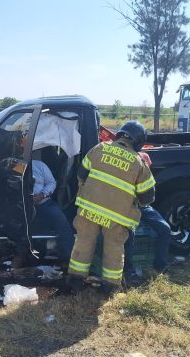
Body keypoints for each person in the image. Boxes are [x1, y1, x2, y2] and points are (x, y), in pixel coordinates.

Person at [66, 121, 156, 295]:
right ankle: (109, 287)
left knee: (84, 242)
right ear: (138, 142)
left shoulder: (99, 148)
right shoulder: (138, 163)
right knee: (114, 249)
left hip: (88, 209)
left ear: (120, 134)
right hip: (117, 216)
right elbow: (147, 198)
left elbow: (81, 174)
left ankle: (75, 280)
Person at [11, 157, 74, 268]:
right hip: (23, 206)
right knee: (19, 228)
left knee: (62, 222)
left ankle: (67, 258)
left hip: (43, 203)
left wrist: (42, 195)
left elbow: (52, 183)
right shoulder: (17, 166)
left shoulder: (40, 165)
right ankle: (20, 256)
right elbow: (11, 185)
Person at [124, 152, 171, 278]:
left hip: (143, 207)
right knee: (128, 233)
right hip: (126, 206)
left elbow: (148, 196)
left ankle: (160, 266)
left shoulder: (145, 164)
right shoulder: (124, 166)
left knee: (165, 229)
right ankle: (127, 270)